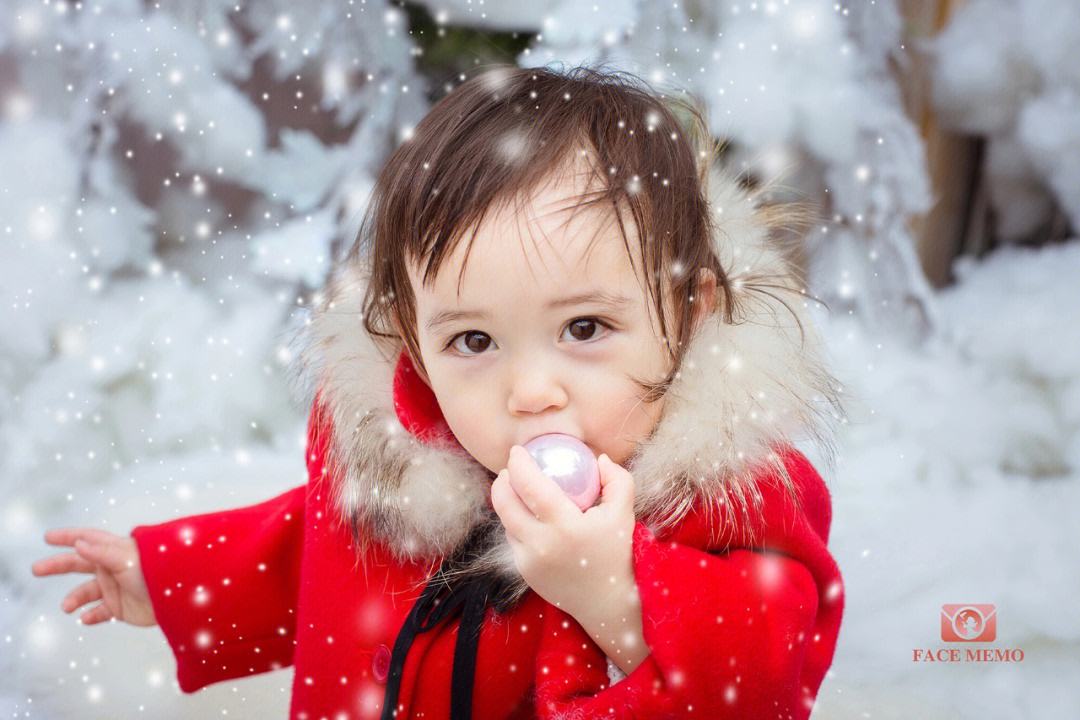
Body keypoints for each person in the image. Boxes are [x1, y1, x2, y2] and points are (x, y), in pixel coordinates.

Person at [31, 64, 846, 719]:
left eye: (587, 329)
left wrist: (615, 592)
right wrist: (179, 580)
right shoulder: (405, 464)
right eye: (475, 341)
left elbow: (765, 673)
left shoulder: (727, 501)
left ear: (691, 311)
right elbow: (315, 553)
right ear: (415, 343)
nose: (531, 391)